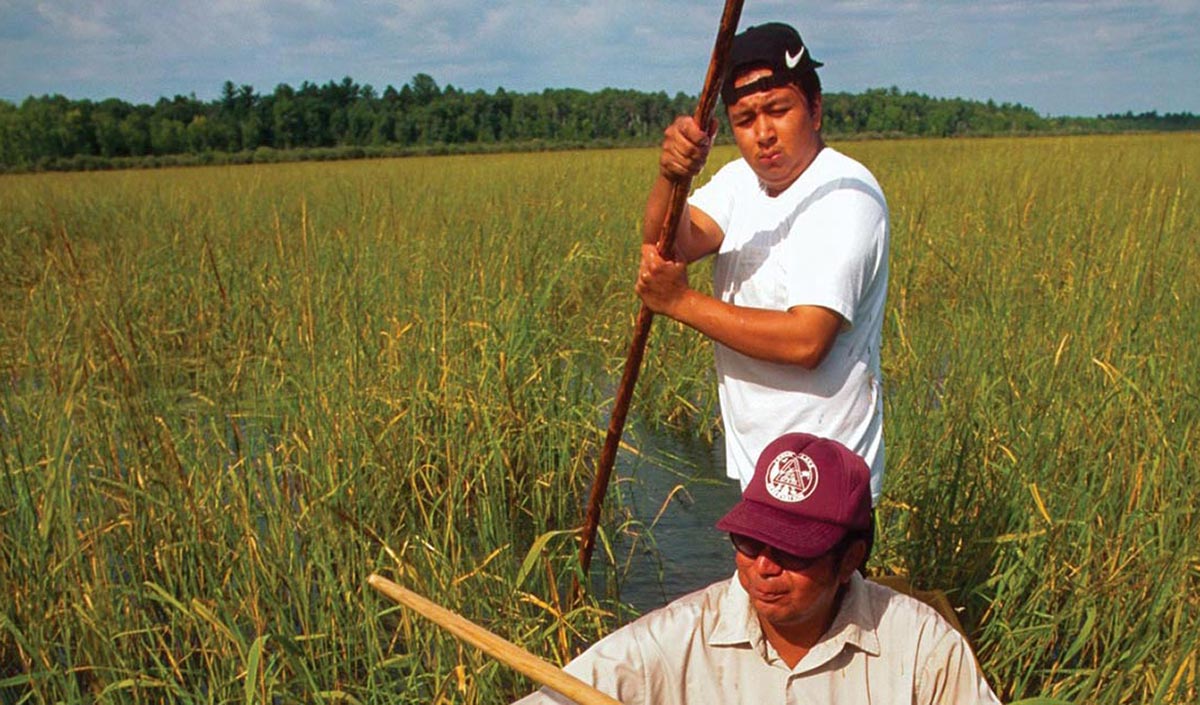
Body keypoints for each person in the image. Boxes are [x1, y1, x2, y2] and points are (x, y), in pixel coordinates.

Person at [513, 433, 1001, 704]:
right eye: (749, 542)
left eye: (794, 551)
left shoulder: (920, 647)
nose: (763, 567)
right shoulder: (671, 641)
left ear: (850, 559)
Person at [637, 22, 890, 502]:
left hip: (823, 473)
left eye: (779, 110)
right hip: (761, 466)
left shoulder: (843, 194)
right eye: (745, 118)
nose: (764, 134)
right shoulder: (739, 183)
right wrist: (673, 175)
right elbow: (668, 245)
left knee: (802, 580)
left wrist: (679, 301)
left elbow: (806, 340)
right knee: (761, 578)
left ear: (814, 109)